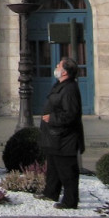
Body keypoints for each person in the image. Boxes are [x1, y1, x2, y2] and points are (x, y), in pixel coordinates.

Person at [40, 56, 85, 209]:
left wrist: (51, 118)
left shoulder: (70, 89)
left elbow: (71, 114)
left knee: (67, 171)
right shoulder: (61, 85)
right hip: (55, 136)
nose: (56, 68)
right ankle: (50, 192)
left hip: (65, 138)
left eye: (59, 66)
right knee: (53, 167)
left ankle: (70, 201)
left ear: (65, 72)